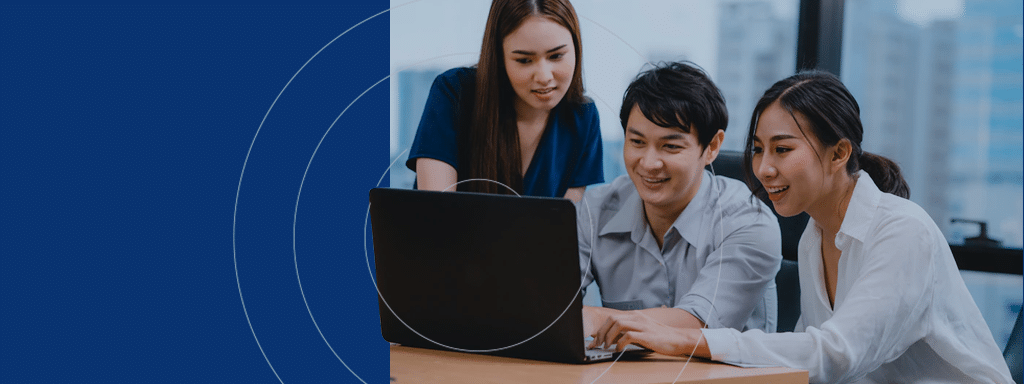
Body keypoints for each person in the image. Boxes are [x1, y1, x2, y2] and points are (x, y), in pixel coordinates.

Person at [591, 71, 1015, 384]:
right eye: (758, 149)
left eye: (783, 149)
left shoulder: (903, 231)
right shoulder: (817, 235)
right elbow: (806, 358)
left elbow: (835, 354)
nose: (763, 168)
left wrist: (685, 340)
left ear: (838, 153)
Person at [578, 62, 782, 341]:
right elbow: (548, 305)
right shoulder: (596, 209)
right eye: (637, 142)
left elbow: (698, 322)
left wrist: (594, 317)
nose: (648, 163)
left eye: (670, 146)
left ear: (711, 147)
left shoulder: (748, 221)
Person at [406, 0, 603, 201]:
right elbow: (436, 213)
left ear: (576, 48)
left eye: (556, 56)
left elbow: (563, 224)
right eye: (524, 60)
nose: (544, 77)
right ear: (499, 57)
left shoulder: (583, 118)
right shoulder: (454, 93)